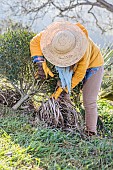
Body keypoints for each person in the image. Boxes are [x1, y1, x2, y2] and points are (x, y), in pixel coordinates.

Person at [30, 21, 104, 136]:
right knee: (64, 96)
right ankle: (66, 124)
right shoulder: (54, 35)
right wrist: (40, 63)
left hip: (93, 67)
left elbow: (79, 74)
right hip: (70, 65)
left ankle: (91, 133)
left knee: (89, 101)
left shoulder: (84, 47)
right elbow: (34, 42)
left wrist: (61, 90)